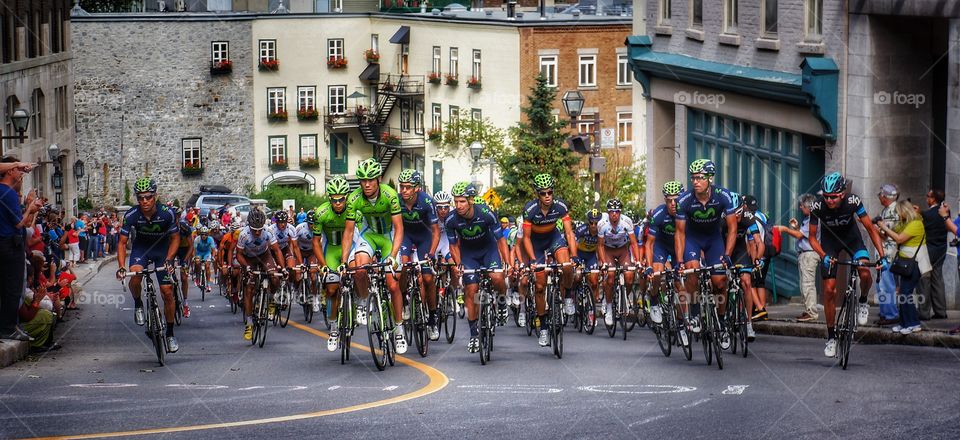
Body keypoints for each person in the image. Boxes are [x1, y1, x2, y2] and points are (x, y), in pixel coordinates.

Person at [807, 172, 886, 358]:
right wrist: (823, 255)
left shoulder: (853, 202)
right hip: (829, 244)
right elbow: (811, 237)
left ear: (842, 194)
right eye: (826, 196)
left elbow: (870, 228)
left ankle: (863, 300)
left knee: (865, 272)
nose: (829, 200)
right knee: (829, 290)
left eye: (833, 196)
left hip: (852, 239)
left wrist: (882, 256)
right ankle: (832, 337)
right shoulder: (817, 206)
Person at [340, 159, 407, 354]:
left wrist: (393, 256)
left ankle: (399, 328)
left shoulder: (390, 195)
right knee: (359, 270)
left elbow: (399, 228)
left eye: (370, 180)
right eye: (362, 180)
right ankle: (362, 301)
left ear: (378, 179)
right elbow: (348, 232)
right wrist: (344, 261)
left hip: (388, 237)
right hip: (369, 236)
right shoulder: (354, 199)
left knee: (393, 284)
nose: (366, 184)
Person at [674, 159, 736, 350]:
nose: (695, 182)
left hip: (714, 240)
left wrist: (727, 254)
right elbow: (680, 233)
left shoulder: (723, 195)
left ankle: (723, 323)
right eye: (693, 178)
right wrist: (679, 261)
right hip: (693, 240)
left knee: (719, 283)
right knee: (692, 271)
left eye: (700, 178)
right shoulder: (684, 200)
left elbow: (733, 228)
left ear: (710, 178)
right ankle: (694, 314)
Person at [115, 177, 182, 353]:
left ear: (155, 196)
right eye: (140, 198)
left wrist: (169, 259)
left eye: (148, 197)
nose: (144, 201)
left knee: (167, 291)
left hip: (162, 250)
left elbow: (176, 239)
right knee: (135, 275)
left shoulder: (167, 213)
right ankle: (138, 303)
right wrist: (121, 266)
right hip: (141, 249)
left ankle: (170, 333)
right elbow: (122, 243)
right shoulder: (131, 215)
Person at [445, 182, 509, 354]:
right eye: (456, 201)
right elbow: (453, 246)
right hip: (468, 254)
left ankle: (502, 303)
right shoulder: (451, 219)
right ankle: (474, 334)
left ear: (471, 200)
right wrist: (459, 264)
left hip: (488, 250)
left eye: (462, 202)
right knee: (471, 289)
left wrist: (507, 262)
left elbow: (501, 240)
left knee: (497, 278)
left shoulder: (486, 213)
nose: (458, 205)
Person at [520, 173, 578, 347]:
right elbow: (526, 239)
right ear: (538, 194)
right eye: (543, 193)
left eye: (550, 192)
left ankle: (567, 295)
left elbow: (568, 233)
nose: (547, 196)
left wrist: (574, 255)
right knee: (539, 286)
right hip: (535, 243)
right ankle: (544, 327)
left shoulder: (560, 206)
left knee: (567, 266)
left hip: (553, 238)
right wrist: (532, 260)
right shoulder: (529, 210)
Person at [396, 169, 442, 339]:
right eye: (402, 187)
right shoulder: (397, 200)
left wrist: (431, 253)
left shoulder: (427, 201)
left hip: (424, 238)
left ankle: (432, 317)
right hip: (406, 236)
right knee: (402, 267)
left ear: (417, 188)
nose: (404, 190)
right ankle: (405, 302)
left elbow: (436, 232)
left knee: (428, 278)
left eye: (408, 187)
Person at [0, 157, 40, 341]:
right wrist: (30, 208)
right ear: (9, 171)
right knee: (13, 287)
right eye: (18, 170)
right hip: (9, 244)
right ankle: (8, 327)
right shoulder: (7, 192)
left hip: (7, 243)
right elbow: (19, 224)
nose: (22, 174)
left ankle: (10, 326)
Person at [875, 200, 929, 334]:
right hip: (906, 263)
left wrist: (885, 227)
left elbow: (899, 239)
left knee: (906, 293)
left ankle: (914, 324)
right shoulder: (905, 223)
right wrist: (878, 228)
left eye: (899, 212)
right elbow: (889, 235)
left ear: (905, 211)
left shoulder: (916, 224)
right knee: (904, 294)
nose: (898, 215)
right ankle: (904, 323)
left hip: (915, 263)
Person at [312, 177, 353, 351]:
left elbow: (359, 236)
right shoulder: (321, 213)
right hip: (331, 249)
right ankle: (334, 328)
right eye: (334, 199)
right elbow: (316, 242)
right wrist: (323, 265)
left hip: (349, 248)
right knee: (331, 288)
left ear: (346, 197)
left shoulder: (353, 210)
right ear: (329, 199)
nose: (337, 203)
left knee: (358, 273)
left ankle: (358, 303)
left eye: (341, 199)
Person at [236, 208, 287, 341]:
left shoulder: (268, 232)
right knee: (249, 288)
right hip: (248, 258)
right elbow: (239, 255)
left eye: (259, 229)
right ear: (249, 226)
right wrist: (246, 267)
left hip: (264, 255)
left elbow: (276, 251)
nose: (257, 232)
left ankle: (270, 299)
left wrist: (283, 268)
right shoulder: (244, 234)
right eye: (254, 229)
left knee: (275, 278)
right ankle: (249, 323)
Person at [775, 194, 820, 322]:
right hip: (805, 253)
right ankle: (808, 310)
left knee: (808, 284)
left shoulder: (813, 217)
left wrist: (784, 229)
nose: (800, 208)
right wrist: (796, 227)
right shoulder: (808, 219)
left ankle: (812, 312)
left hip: (809, 253)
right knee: (804, 285)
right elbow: (803, 233)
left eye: (802, 206)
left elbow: (800, 235)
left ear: (808, 207)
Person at [597, 199, 642, 327]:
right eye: (611, 212)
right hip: (608, 250)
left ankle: (625, 298)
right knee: (610, 278)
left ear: (620, 212)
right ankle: (610, 308)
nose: (614, 214)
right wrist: (604, 262)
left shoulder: (626, 222)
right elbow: (600, 245)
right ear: (608, 212)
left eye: (617, 211)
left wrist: (638, 260)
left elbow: (633, 243)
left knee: (629, 276)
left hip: (622, 250)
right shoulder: (602, 224)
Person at [646, 181, 682, 328]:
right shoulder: (659, 214)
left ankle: (681, 321)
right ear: (665, 201)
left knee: (681, 284)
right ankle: (654, 300)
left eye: (676, 200)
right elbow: (649, 244)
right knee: (656, 274)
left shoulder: (687, 212)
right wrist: (649, 266)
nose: (673, 204)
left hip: (679, 247)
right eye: (669, 200)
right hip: (662, 246)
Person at [917, 189, 949, 320]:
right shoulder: (945, 213)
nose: (926, 198)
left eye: (928, 196)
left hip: (928, 251)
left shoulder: (927, 214)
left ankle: (924, 313)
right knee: (938, 280)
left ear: (933, 199)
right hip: (941, 250)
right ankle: (941, 311)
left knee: (924, 280)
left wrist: (918, 213)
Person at [872, 184, 901, 325]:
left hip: (887, 254)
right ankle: (885, 313)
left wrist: (871, 226)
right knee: (881, 285)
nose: (879, 197)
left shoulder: (891, 211)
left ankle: (890, 315)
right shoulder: (888, 210)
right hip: (884, 254)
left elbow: (885, 235)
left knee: (886, 285)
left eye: (880, 195)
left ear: (885, 197)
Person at [574, 209, 601, 327]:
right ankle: (576, 294)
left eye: (597, 223)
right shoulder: (581, 230)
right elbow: (573, 245)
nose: (594, 226)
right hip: (580, 254)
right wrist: (574, 259)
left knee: (594, 281)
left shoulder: (602, 230)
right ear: (588, 222)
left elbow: (602, 247)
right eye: (592, 223)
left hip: (591, 256)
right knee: (578, 275)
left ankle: (592, 308)